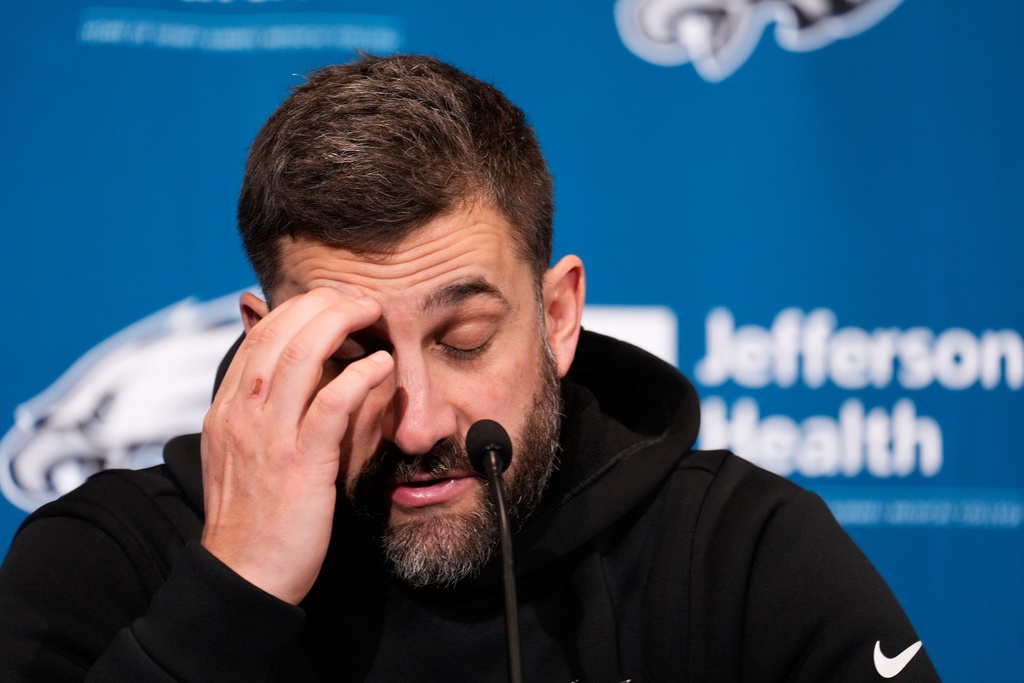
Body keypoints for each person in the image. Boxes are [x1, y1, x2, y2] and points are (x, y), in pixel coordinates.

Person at [0, 53, 940, 681]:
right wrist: (232, 591)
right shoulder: (108, 559)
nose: (418, 427)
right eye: (354, 354)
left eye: (463, 342)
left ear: (558, 315)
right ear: (262, 342)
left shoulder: (739, 559)